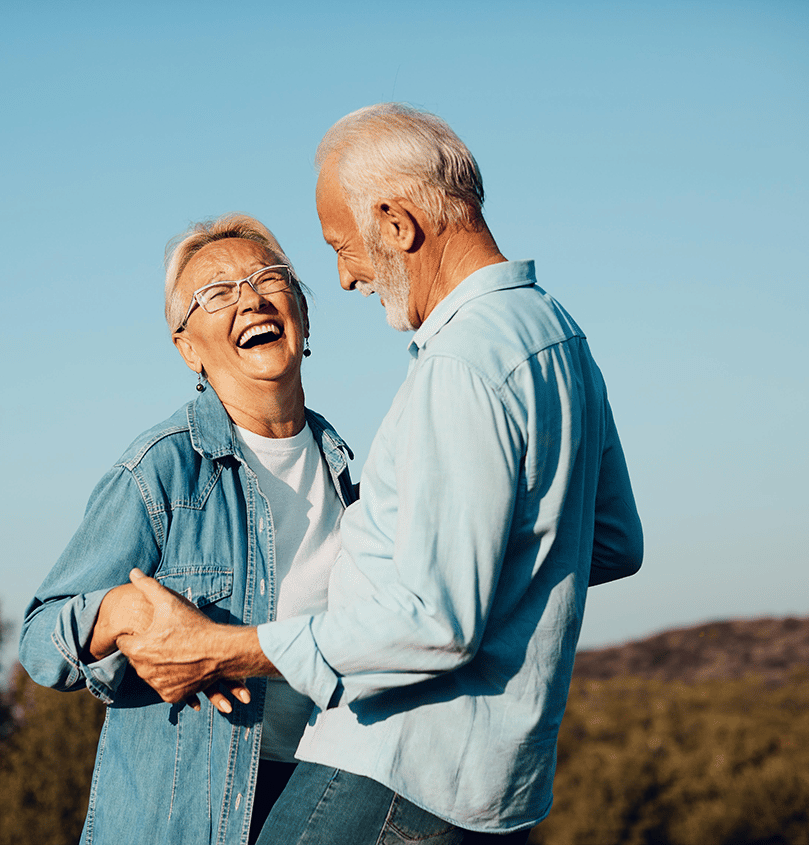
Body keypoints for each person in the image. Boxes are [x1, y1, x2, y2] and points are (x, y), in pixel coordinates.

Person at [113, 104, 645, 844]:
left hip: (393, 774)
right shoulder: (557, 335)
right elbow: (614, 541)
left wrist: (223, 647)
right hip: (500, 790)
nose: (345, 277)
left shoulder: (460, 366)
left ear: (397, 224)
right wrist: (491, 574)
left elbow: (434, 622)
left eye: (343, 246)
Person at [19, 214, 359, 844]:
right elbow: (41, 639)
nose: (251, 299)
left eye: (268, 279)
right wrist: (120, 610)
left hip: (322, 796)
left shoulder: (348, 469)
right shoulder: (163, 469)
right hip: (189, 820)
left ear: (303, 315)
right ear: (188, 348)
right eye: (217, 293)